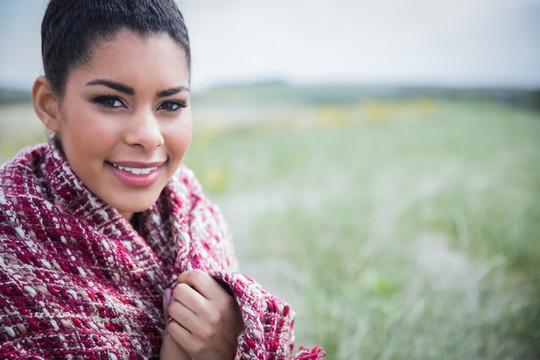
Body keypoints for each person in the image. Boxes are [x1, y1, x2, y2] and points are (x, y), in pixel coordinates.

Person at [0, 0, 325, 359]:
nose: (149, 136)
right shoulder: (10, 255)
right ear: (50, 104)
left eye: (170, 104)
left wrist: (237, 340)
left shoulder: (197, 220)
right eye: (110, 101)